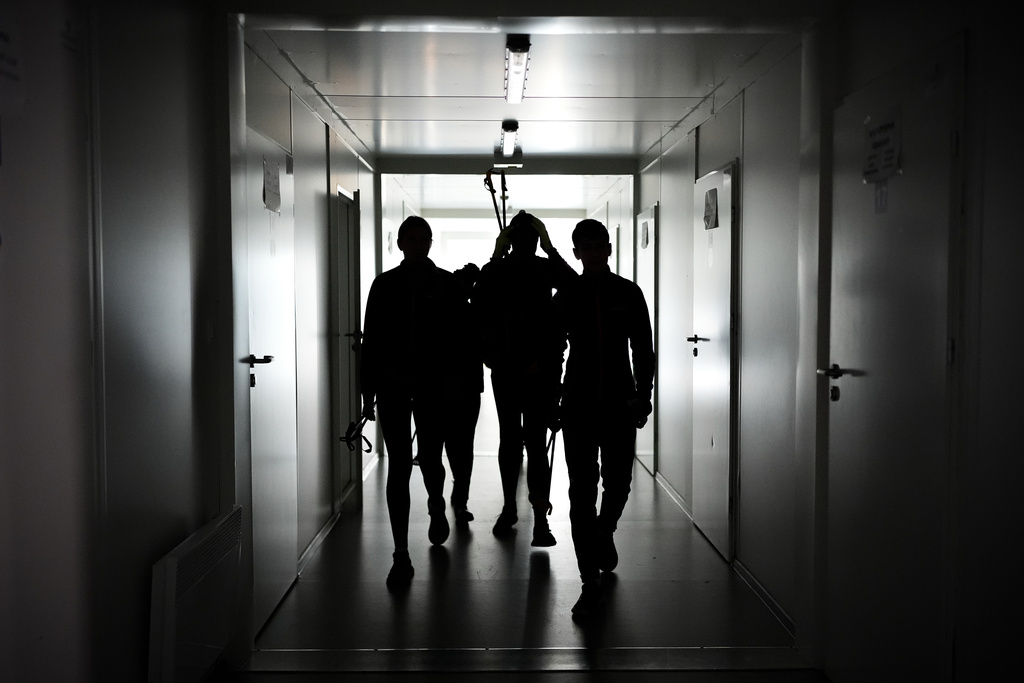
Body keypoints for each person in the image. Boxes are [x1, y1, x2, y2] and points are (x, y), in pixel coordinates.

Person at [553, 218, 655, 619]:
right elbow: (552, 349)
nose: (595, 252)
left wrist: (641, 396)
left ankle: (605, 529)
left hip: (618, 405)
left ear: (609, 249)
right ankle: (588, 581)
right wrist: (551, 398)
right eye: (586, 247)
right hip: (577, 405)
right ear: (577, 252)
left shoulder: (628, 293)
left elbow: (643, 350)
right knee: (581, 489)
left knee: (618, 484)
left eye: (601, 246)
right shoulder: (567, 296)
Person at [360, 216, 462, 590]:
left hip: (434, 387)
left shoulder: (447, 284)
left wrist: (456, 381)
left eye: (424, 239)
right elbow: (371, 339)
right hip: (392, 386)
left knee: (432, 458)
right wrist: (367, 392)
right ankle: (400, 552)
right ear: (400, 244)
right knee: (399, 464)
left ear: (431, 243)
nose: (418, 245)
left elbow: (459, 338)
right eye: (412, 239)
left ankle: (437, 501)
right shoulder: (384, 285)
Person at [472, 210, 577, 547]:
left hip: (539, 370)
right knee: (512, 441)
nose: (526, 243)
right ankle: (510, 508)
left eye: (531, 239)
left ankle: (540, 517)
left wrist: (550, 248)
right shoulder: (496, 270)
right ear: (511, 240)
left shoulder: (544, 268)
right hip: (506, 368)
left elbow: (575, 288)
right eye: (521, 238)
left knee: (533, 442)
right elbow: (481, 301)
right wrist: (497, 254)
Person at [445, 262, 484, 525]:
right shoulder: (446, 309)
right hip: (451, 385)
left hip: (466, 385)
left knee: (460, 444)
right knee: (457, 443)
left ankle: (460, 498)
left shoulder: (474, 310)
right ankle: (458, 498)